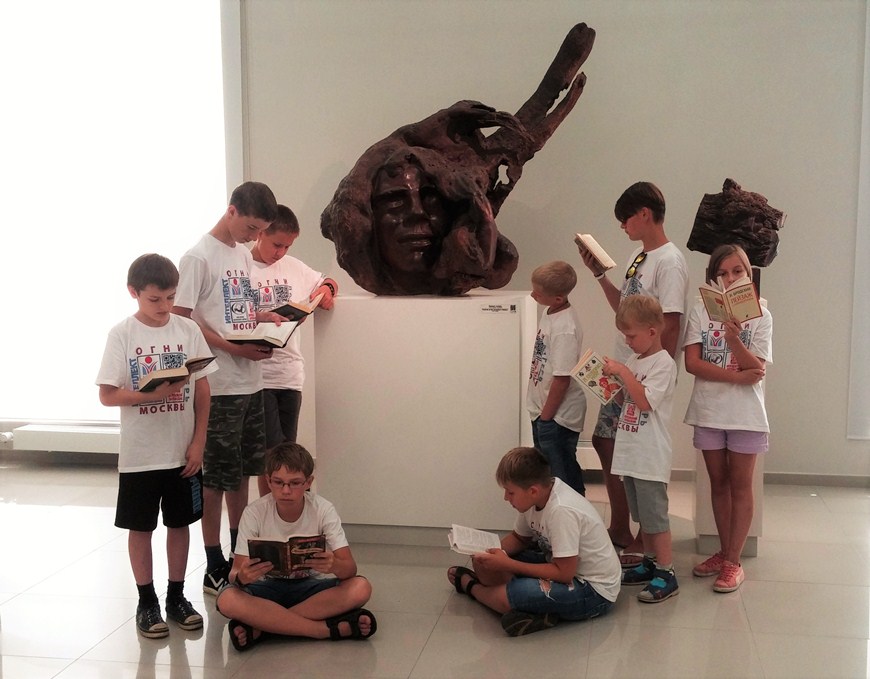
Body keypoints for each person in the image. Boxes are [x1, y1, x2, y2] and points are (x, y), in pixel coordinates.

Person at [172, 181, 288, 596]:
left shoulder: (241, 254)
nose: (254, 237)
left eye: (261, 231)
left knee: (242, 473)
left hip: (250, 380)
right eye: (251, 227)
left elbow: (236, 308)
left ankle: (240, 553)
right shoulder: (198, 257)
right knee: (216, 479)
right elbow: (182, 318)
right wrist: (232, 347)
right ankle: (213, 562)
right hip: (219, 384)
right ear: (231, 210)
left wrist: (265, 317)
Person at [96, 253, 218, 637]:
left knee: (180, 524)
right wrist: (149, 396)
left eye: (170, 297)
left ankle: (176, 597)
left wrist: (199, 441)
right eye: (154, 299)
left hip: (182, 451)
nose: (164, 306)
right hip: (141, 455)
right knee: (141, 528)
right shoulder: (122, 334)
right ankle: (146, 601)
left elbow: (202, 388)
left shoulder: (187, 329)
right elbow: (107, 394)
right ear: (133, 292)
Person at [577, 181, 688, 566]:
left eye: (626, 219)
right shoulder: (638, 256)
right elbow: (627, 313)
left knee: (627, 447)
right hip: (627, 368)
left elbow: (670, 322)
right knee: (606, 440)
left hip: (643, 374)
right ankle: (622, 527)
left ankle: (642, 534)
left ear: (644, 213)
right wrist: (599, 277)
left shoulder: (670, 261)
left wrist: (657, 373)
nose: (623, 226)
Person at [216, 442, 376, 650]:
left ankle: (264, 626)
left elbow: (350, 569)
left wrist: (335, 565)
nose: (286, 490)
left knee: (361, 587)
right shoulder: (254, 512)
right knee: (227, 599)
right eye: (278, 482)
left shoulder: (323, 509)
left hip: (309, 587)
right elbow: (235, 574)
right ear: (268, 481)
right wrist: (242, 576)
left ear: (309, 482)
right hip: (265, 588)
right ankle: (323, 630)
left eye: (295, 483)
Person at [447, 446, 621, 637]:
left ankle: (472, 587)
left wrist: (507, 564)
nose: (506, 498)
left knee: (507, 596)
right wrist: (487, 552)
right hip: (557, 564)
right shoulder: (535, 499)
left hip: (592, 589)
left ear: (532, 491)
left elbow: (565, 574)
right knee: (483, 564)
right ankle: (532, 607)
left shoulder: (562, 511)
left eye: (510, 492)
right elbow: (519, 539)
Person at [684, 244, 772, 593]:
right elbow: (693, 363)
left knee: (740, 485)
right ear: (713, 278)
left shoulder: (763, 315)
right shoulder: (700, 310)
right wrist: (738, 377)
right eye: (722, 273)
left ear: (749, 274)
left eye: (737, 271)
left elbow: (757, 368)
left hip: (746, 415)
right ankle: (723, 552)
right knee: (717, 483)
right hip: (708, 410)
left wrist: (734, 340)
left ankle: (734, 561)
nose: (730, 278)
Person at [250, 204, 337, 497]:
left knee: (287, 453)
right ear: (261, 234)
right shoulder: (242, 268)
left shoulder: (294, 266)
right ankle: (270, 512)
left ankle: (286, 512)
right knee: (271, 454)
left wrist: (326, 291)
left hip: (290, 374)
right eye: (277, 245)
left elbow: (327, 281)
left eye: (287, 246)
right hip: (259, 374)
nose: (281, 253)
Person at [601, 295, 679, 603]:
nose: (628, 341)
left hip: (649, 455)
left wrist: (623, 372)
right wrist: (610, 384)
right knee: (642, 516)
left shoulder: (664, 364)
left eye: (631, 335)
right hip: (631, 452)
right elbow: (628, 400)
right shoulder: (635, 361)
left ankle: (666, 571)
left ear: (652, 331)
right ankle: (650, 562)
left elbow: (645, 401)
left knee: (655, 518)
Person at [527, 261, 587, 495]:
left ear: (558, 298)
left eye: (538, 293)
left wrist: (546, 418)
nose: (532, 295)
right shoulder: (549, 312)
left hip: (557, 417)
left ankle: (574, 513)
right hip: (543, 411)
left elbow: (562, 379)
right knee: (547, 473)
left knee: (562, 477)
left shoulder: (565, 328)